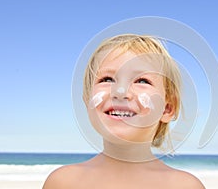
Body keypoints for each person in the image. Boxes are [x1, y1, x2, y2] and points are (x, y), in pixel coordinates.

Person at [43, 34, 205, 189]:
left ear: (167, 109)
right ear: (88, 102)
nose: (120, 91)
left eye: (142, 80)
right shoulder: (62, 182)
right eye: (107, 79)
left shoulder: (185, 186)